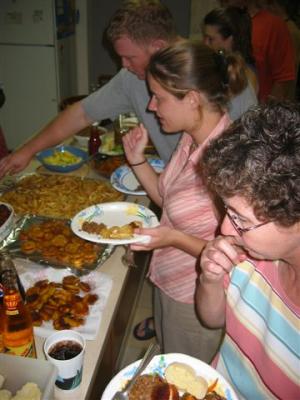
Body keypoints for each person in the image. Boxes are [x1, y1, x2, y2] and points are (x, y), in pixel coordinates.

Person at [0, 0, 256, 178]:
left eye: (129, 57)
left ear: (156, 46)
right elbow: (81, 113)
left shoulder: (215, 74)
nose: (123, 65)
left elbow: (254, 163)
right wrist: (26, 151)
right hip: (170, 191)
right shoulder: (131, 77)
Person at [122, 39, 248, 361]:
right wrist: (137, 160)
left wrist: (172, 238)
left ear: (192, 99)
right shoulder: (191, 137)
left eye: (158, 98)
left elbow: (235, 257)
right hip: (169, 280)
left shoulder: (229, 163)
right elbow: (168, 199)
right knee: (167, 359)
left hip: (195, 299)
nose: (151, 106)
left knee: (183, 381)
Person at [197, 101, 300, 398]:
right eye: (227, 211)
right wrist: (210, 278)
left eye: (240, 219)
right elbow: (213, 319)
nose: (224, 230)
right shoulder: (246, 254)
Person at [219, 0, 296, 102]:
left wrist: (264, 115)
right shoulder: (217, 22)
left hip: (257, 110)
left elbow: (283, 80)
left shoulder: (273, 25)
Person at [202, 6, 258, 94]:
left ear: (230, 40)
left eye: (210, 39)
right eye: (204, 37)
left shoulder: (246, 77)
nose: (205, 43)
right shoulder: (217, 66)